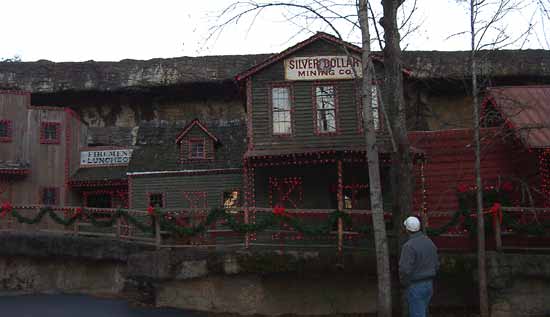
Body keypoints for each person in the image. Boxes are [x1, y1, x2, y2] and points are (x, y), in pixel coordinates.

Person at [399, 216, 439, 317]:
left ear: (407, 229)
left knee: (417, 314)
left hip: (415, 285)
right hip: (429, 284)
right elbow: (436, 264)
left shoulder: (408, 246)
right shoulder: (429, 242)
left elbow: (404, 269)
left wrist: (404, 283)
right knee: (422, 312)